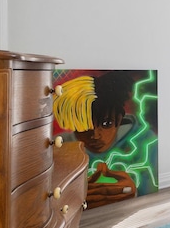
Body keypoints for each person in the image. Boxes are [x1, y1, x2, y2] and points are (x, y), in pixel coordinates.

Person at [53, 70, 158, 208]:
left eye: (106, 124)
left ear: (119, 119)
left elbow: (153, 196)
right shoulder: (58, 146)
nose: (95, 135)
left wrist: (133, 193)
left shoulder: (146, 141)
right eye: (84, 127)